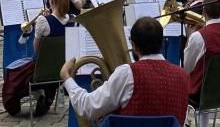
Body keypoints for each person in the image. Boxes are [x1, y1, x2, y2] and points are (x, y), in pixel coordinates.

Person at [62, 17, 190, 124]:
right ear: (161, 43)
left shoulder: (127, 73)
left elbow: (87, 107)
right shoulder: (183, 75)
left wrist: (67, 78)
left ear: (133, 46)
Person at [31, 0, 76, 113]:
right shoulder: (73, 19)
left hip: (43, 70)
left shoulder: (42, 21)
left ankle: (40, 94)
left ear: (52, 1)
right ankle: (48, 94)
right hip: (65, 68)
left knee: (18, 73)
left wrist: (46, 19)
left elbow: (36, 49)